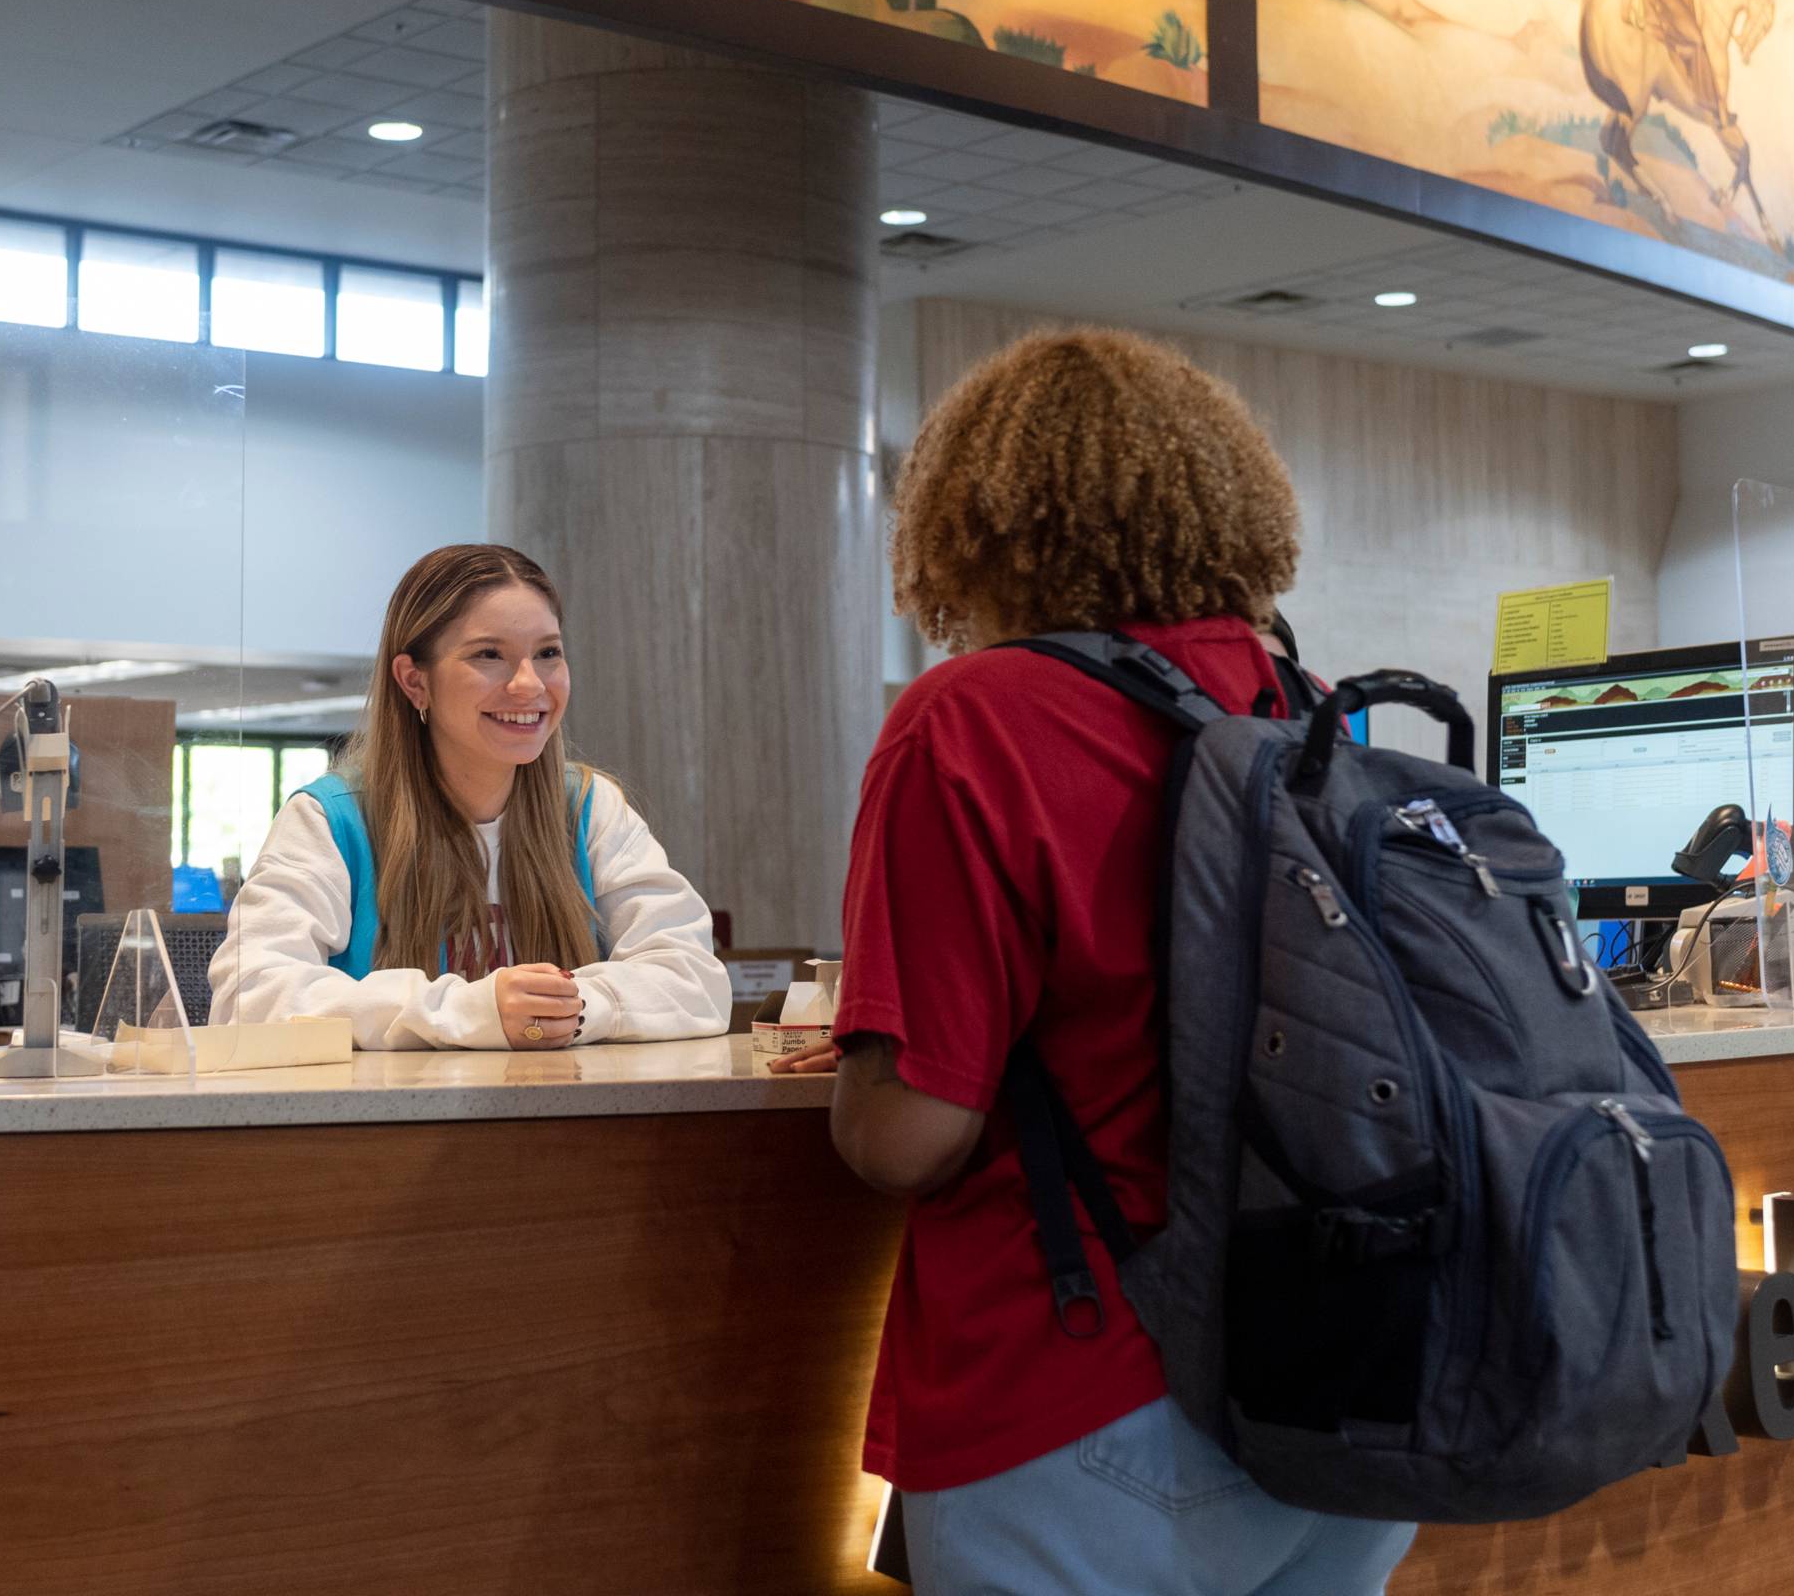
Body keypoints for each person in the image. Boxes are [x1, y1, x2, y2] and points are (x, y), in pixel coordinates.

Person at [773, 330, 1413, 1595]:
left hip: (1083, 1400)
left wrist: (870, 1057)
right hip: (1337, 1384)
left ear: (977, 522)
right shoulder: (1299, 703)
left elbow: (910, 1135)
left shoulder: (970, 720)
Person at [205, 543, 729, 1049]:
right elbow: (247, 997)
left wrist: (578, 1006)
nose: (529, 684)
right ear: (415, 681)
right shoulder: (332, 818)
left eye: (548, 653)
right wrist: (469, 1012)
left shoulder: (590, 808)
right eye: (488, 655)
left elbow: (697, 981)